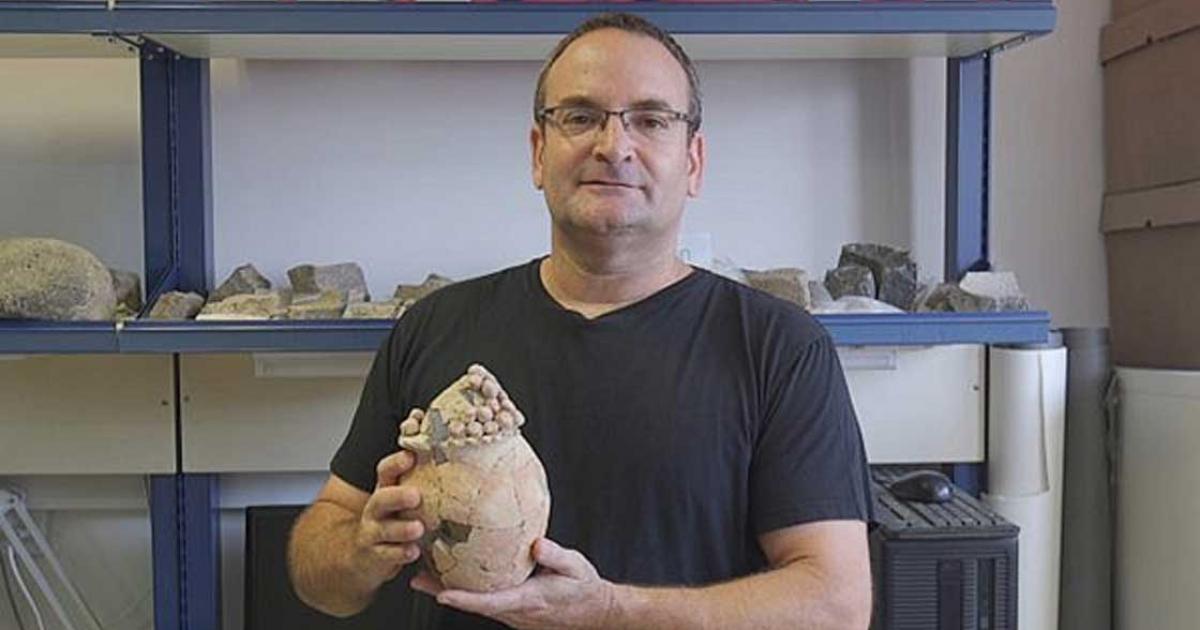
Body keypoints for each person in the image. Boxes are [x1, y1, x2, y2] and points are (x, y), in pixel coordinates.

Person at [288, 12, 873, 630]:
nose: (612, 145)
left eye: (650, 120)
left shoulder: (778, 348)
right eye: (579, 116)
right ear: (539, 153)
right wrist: (360, 550)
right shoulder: (434, 327)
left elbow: (835, 606)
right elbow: (318, 577)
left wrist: (610, 611)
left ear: (693, 161)